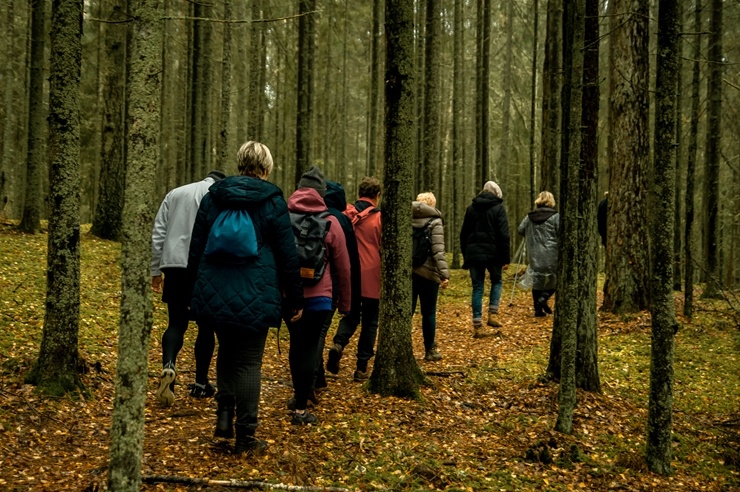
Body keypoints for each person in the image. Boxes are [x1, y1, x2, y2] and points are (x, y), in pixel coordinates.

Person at [186, 141, 303, 454]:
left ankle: (224, 417)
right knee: (250, 362)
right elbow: (287, 254)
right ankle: (246, 436)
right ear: (265, 168)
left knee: (225, 351)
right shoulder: (273, 201)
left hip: (215, 289)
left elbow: (196, 246)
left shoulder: (214, 198)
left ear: (240, 164)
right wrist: (294, 298)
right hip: (258, 290)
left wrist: (190, 291)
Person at [151, 170, 225, 406]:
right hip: (205, 267)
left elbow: (158, 232)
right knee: (206, 326)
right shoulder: (217, 196)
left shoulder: (175, 193)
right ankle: (202, 383)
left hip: (174, 266)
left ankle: (169, 367)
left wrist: (155, 270)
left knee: (176, 323)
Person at [285, 167, 351, 424]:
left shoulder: (283, 217)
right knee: (310, 348)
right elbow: (343, 267)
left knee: (296, 346)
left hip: (290, 297)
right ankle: (301, 407)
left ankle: (298, 396)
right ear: (322, 194)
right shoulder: (331, 222)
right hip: (320, 298)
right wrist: (345, 303)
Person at [326, 176, 382, 381]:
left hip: (347, 272)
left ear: (359, 193)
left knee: (350, 315)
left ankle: (338, 344)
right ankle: (361, 368)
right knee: (370, 321)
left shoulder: (345, 214)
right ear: (377, 195)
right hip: (371, 275)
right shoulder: (379, 218)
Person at [313, 180, 360, 392]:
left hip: (303, 282)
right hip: (328, 286)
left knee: (310, 333)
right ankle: (315, 378)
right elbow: (348, 260)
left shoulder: (311, 214)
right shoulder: (340, 219)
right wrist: (349, 295)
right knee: (319, 332)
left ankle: (317, 376)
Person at [459, 181, 510, 337]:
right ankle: (493, 314)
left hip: (474, 254)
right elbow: (504, 235)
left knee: (478, 287)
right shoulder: (498, 208)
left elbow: (463, 234)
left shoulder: (471, 209)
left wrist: (466, 254)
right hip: (493, 254)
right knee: (497, 281)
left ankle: (477, 324)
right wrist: (505, 258)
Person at [412, 192, 450, 361]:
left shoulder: (406, 218)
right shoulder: (435, 221)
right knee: (428, 312)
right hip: (428, 274)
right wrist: (444, 274)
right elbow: (438, 251)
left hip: (409, 273)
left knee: (407, 312)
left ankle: (404, 348)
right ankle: (429, 350)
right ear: (432, 205)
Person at [518, 191, 560, 317]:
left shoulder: (530, 217)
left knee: (537, 281)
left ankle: (538, 310)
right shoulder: (555, 216)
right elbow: (561, 231)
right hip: (552, 254)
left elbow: (520, 229)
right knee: (556, 279)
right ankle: (544, 297)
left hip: (535, 255)